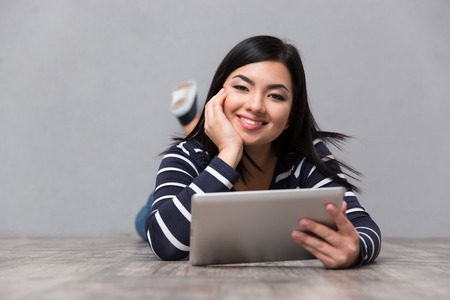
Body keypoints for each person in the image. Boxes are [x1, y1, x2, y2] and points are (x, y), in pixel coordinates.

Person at [140, 35, 381, 269]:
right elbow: (164, 241)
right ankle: (191, 123)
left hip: (204, 180)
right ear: (217, 96)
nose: (255, 105)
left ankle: (191, 121)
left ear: (290, 116)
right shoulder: (186, 155)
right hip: (187, 187)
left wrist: (355, 250)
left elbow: (363, 226)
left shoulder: (304, 158)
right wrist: (229, 152)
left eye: (275, 95)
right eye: (242, 87)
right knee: (145, 221)